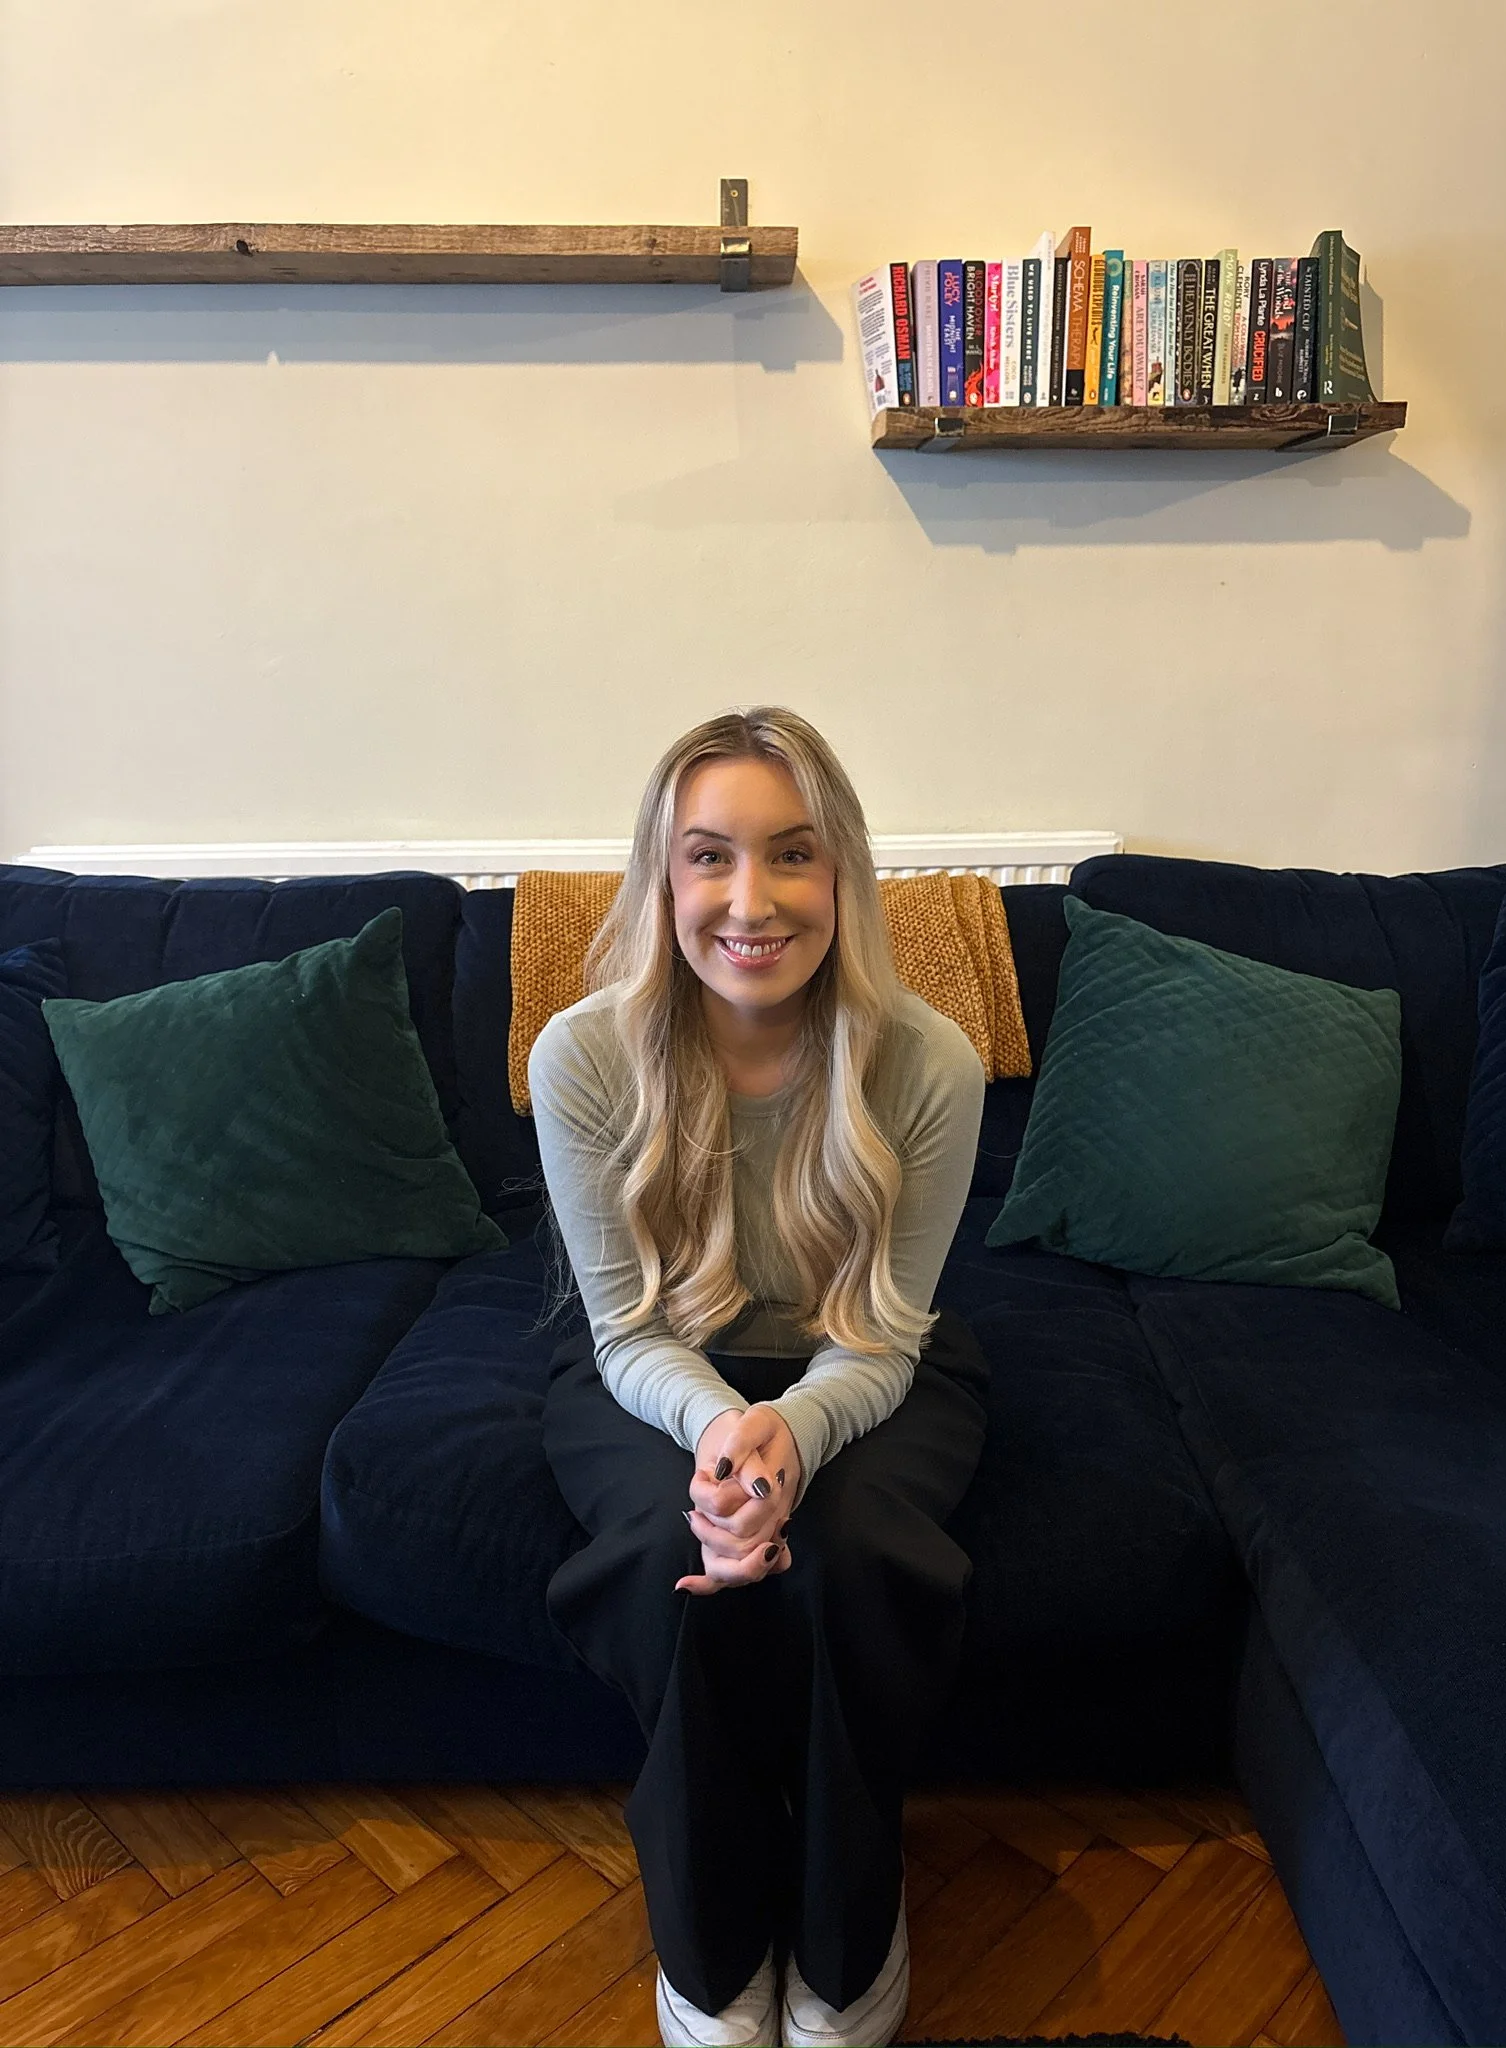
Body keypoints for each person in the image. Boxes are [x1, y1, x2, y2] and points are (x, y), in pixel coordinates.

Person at [529, 706, 991, 2048]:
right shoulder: (583, 1058)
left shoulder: (932, 1065)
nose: (751, 899)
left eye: (792, 855)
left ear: (840, 874)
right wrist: (729, 1436)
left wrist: (794, 1430)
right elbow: (623, 1335)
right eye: (708, 857)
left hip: (865, 1361)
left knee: (849, 1562)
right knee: (675, 1565)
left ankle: (847, 1947)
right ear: (660, 881)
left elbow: (887, 1337)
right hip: (653, 1369)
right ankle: (712, 1953)